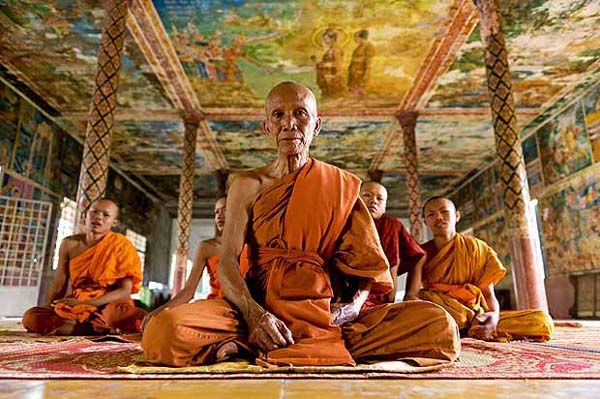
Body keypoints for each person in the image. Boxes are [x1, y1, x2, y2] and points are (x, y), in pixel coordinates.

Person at [142, 81, 460, 367]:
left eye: (300, 114)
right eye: (278, 115)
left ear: (316, 125)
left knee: (439, 325)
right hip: (254, 305)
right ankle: (252, 337)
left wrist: (349, 308)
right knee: (164, 330)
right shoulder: (245, 184)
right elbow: (227, 262)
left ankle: (251, 347)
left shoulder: (339, 185)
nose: (289, 124)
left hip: (321, 309)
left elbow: (368, 267)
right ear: (267, 127)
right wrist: (255, 315)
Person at [418, 196, 553, 342]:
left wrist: (493, 316)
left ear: (456, 216)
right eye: (431, 214)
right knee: (430, 308)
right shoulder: (420, 253)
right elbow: (414, 294)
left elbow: (488, 293)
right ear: (426, 222)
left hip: (475, 313)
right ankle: (462, 328)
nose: (438, 217)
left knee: (541, 320)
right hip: (441, 312)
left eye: (444, 212)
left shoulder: (476, 248)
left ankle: (469, 329)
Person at [22, 198, 146, 335]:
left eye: (106, 215)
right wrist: (50, 307)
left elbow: (124, 291)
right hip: (78, 301)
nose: (98, 217)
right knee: (31, 317)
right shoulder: (69, 244)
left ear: (114, 222)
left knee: (129, 316)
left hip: (109, 303)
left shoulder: (121, 246)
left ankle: (84, 326)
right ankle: (95, 329)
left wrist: (91, 304)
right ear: (85, 216)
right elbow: (59, 284)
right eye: (94, 212)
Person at [141, 196, 249, 330]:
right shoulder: (207, 247)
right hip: (216, 307)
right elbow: (188, 291)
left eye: (225, 210)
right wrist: (159, 311)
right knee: (170, 321)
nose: (220, 215)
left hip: (247, 307)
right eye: (216, 212)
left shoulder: (252, 245)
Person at [359, 181, 426, 307]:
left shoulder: (392, 226)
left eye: (379, 198)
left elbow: (418, 256)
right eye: (367, 195)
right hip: (347, 295)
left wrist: (410, 294)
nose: (373, 201)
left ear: (384, 207)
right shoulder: (344, 223)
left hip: (383, 297)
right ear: (355, 199)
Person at [312, 29, 347, 99]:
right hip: (326, 77)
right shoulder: (330, 50)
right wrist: (317, 62)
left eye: (326, 38)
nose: (324, 41)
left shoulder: (336, 49)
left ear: (332, 39)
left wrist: (325, 65)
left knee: (334, 97)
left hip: (332, 77)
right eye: (323, 39)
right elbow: (325, 61)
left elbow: (338, 64)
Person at [348, 29, 375, 97]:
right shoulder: (359, 47)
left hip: (361, 71)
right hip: (355, 71)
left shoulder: (369, 46)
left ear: (361, 37)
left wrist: (366, 72)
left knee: (360, 89)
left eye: (355, 37)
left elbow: (368, 60)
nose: (354, 39)